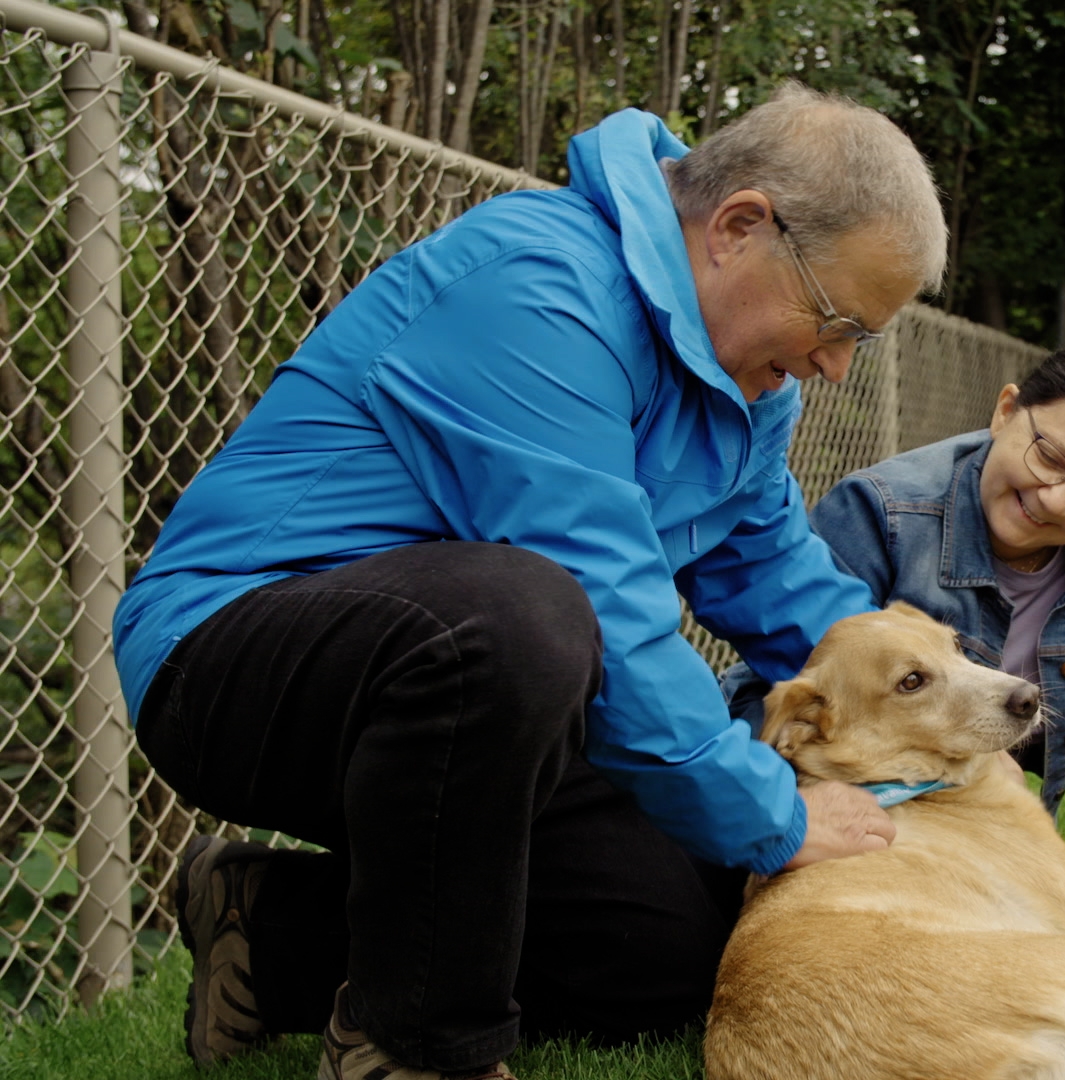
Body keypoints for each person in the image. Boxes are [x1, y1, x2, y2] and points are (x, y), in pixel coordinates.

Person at [114, 85, 944, 1080]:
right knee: (525, 613)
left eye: (864, 339)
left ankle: (270, 928)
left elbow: (773, 572)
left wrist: (936, 695)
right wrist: (780, 814)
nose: (838, 366)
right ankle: (416, 1046)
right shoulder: (536, 285)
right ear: (738, 227)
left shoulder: (744, 383)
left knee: (675, 948)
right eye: (840, 319)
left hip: (491, 689)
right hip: (228, 660)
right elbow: (604, 599)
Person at [736, 342, 1065, 899]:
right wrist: (784, 822)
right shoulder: (880, 513)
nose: (1055, 500)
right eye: (1050, 457)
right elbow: (787, 701)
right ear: (1006, 412)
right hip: (875, 840)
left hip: (989, 838)